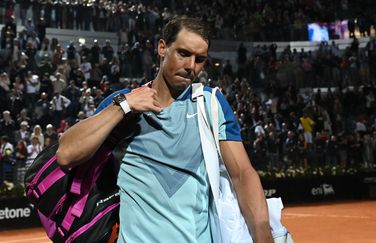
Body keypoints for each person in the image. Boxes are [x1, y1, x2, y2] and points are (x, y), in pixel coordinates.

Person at [57, 16, 273, 243]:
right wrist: (125, 105)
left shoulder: (211, 104)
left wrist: (262, 232)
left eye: (199, 59)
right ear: (162, 48)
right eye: (183, 53)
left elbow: (242, 175)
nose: (191, 66)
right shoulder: (124, 104)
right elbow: (66, 154)